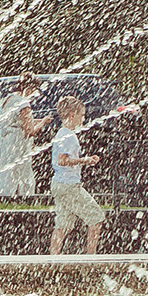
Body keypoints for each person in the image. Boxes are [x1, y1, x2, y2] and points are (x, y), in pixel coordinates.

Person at [49, 95, 102, 254]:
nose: (83, 119)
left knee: (63, 225)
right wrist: (85, 160)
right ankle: (91, 258)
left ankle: (52, 260)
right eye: (82, 115)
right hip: (69, 186)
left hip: (59, 184)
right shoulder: (69, 136)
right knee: (96, 218)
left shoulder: (62, 133)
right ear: (72, 115)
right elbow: (62, 160)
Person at [0, 75, 43, 197]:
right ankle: (26, 200)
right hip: (18, 144)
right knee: (24, 177)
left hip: (7, 143)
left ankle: (6, 200)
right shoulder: (23, 103)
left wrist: (38, 120)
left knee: (8, 176)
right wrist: (43, 122)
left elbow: (17, 121)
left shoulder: (8, 100)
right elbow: (29, 130)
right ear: (29, 87)